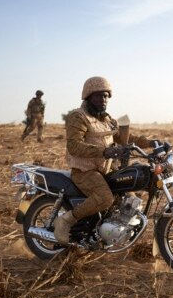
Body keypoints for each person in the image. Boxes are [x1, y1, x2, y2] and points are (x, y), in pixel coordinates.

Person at [53, 76, 157, 244]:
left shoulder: (107, 120)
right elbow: (74, 146)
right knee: (105, 198)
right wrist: (106, 151)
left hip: (106, 170)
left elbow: (126, 139)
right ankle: (66, 220)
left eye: (105, 96)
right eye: (98, 96)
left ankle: (110, 232)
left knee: (131, 200)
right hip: (84, 171)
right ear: (88, 97)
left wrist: (151, 143)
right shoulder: (78, 117)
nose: (103, 99)